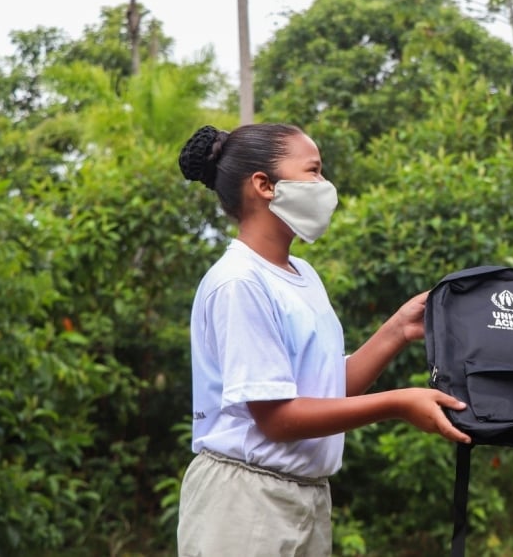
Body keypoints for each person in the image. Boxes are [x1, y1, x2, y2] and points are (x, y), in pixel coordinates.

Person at [175, 123, 471, 557]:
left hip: (305, 497)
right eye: (314, 171)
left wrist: (399, 329)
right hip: (245, 503)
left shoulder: (301, 274)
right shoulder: (239, 282)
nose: (325, 185)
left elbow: (323, 390)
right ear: (264, 185)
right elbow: (276, 418)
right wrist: (398, 403)